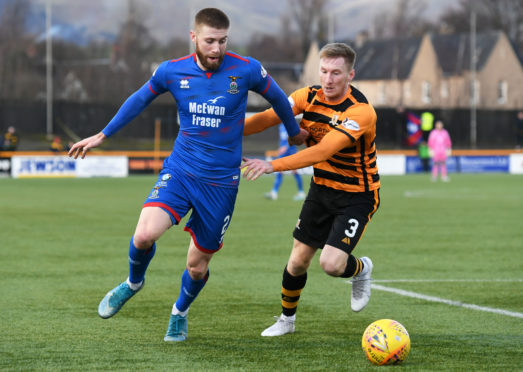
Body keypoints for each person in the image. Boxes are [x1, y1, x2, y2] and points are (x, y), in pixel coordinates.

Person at [68, 8, 308, 342]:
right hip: (181, 171)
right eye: (210, 41)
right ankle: (133, 282)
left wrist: (295, 132)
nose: (217, 49)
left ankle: (179, 313)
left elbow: (279, 98)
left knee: (197, 267)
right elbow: (138, 100)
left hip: (222, 184)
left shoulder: (247, 69)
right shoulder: (171, 71)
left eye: (223, 41)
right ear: (193, 37)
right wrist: (102, 135)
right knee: (143, 236)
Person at [241, 43, 380, 336]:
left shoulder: (361, 112)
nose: (328, 79)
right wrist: (218, 126)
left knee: (330, 264)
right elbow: (266, 118)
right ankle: (286, 321)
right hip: (321, 190)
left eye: (336, 73)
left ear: (350, 75)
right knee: (298, 260)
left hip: (356, 196)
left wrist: (272, 165)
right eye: (324, 71)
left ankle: (361, 269)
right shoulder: (307, 96)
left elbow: (323, 151)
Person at [264, 123, 305, 201]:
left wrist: (286, 146)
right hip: (284, 152)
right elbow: (283, 139)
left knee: (295, 171)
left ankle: (301, 192)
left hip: (291, 150)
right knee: (279, 170)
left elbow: (293, 137)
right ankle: (274, 192)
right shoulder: (281, 125)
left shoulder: (289, 123)